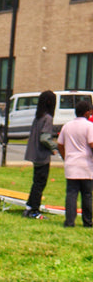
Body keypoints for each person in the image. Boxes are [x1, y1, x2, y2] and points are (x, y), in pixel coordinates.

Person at [57, 98, 93, 228]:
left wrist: (66, 157)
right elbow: (92, 143)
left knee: (71, 194)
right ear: (86, 112)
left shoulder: (67, 126)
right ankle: (87, 222)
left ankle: (69, 221)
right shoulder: (89, 126)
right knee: (87, 195)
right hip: (86, 165)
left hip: (71, 164)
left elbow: (60, 144)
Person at [23, 91, 57, 219]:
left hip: (34, 154)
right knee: (40, 183)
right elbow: (45, 138)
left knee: (36, 182)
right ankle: (34, 210)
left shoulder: (38, 117)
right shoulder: (48, 118)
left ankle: (29, 207)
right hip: (42, 156)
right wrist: (55, 147)